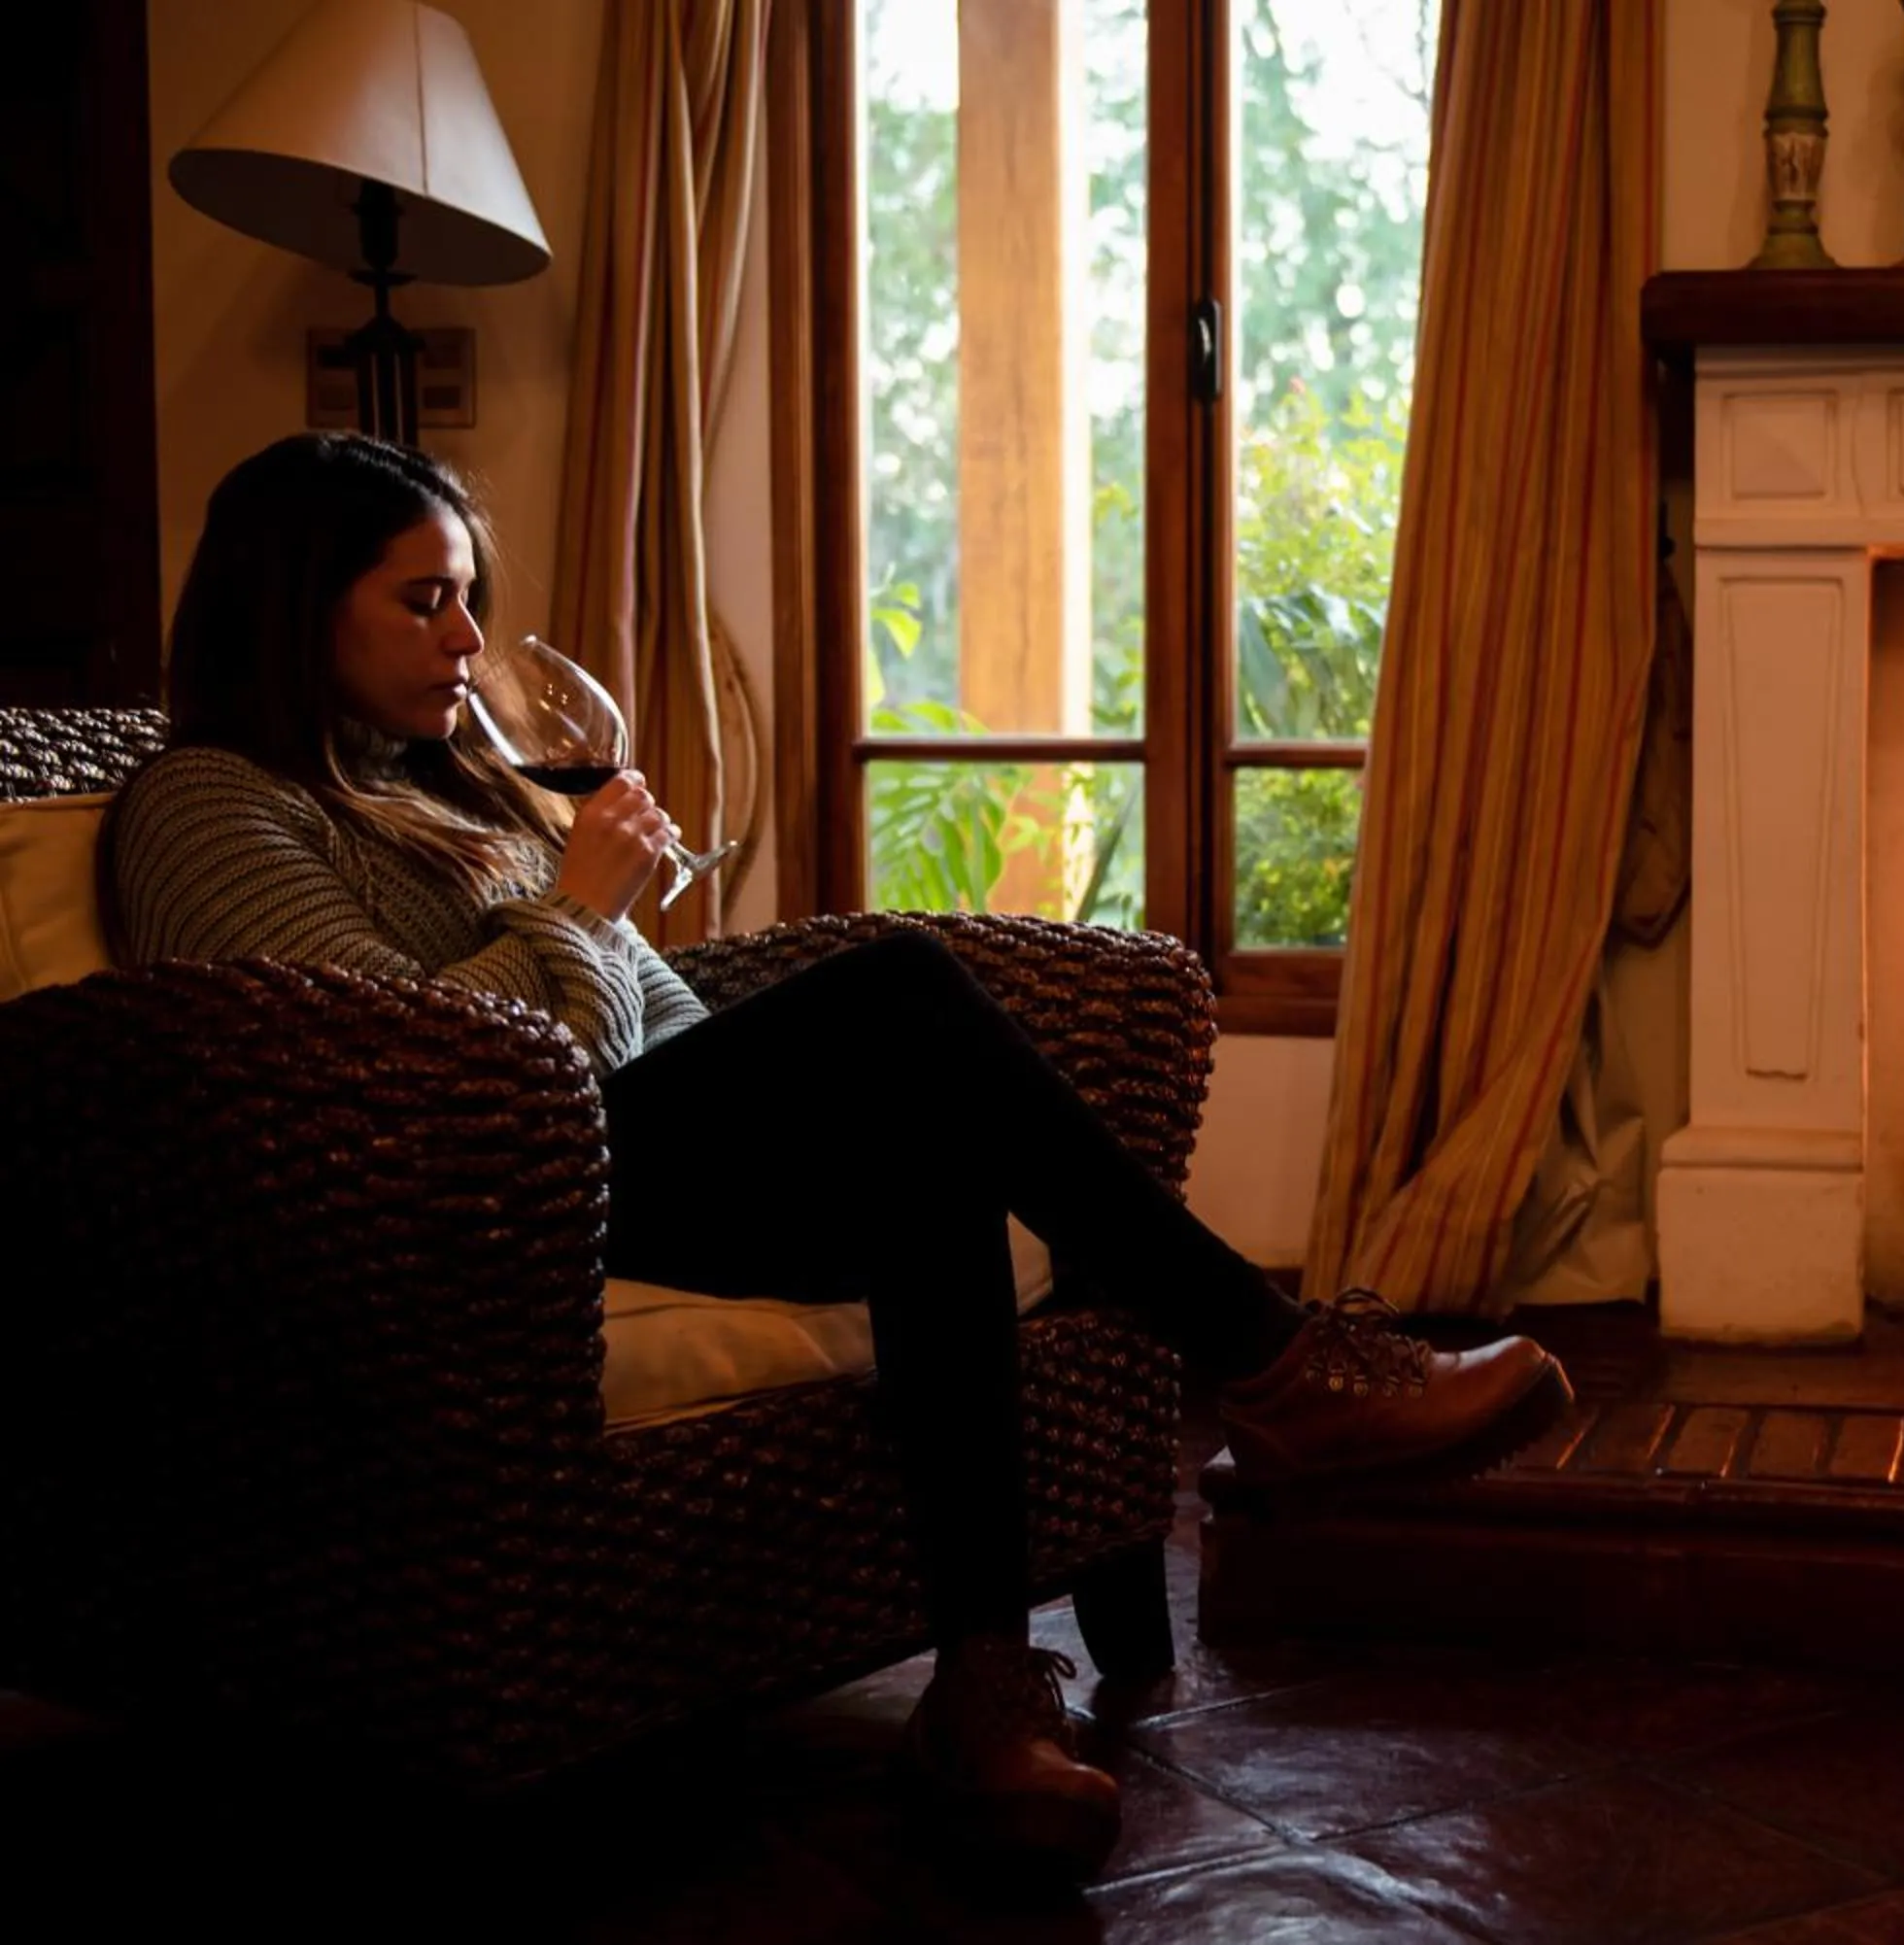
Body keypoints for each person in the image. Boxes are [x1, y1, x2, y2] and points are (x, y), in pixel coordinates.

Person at [103, 432, 1574, 1880]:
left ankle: (983, 1688)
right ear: (296, 602)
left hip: (600, 1151)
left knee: (917, 1149)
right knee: (900, 988)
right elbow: (376, 1076)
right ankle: (1275, 1364)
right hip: (467, 1195)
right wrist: (582, 911)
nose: (470, 638)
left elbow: (645, 1023)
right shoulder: (213, 803)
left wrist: (594, 929)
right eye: (425, 600)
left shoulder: (452, 789)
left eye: (467, 594)